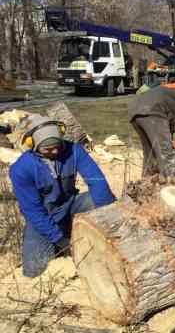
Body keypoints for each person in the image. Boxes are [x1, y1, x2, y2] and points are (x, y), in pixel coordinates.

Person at [9, 115, 115, 278]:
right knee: (34, 270)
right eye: (48, 149)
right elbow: (34, 212)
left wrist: (109, 217)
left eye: (57, 146)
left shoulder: (74, 150)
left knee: (99, 199)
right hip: (44, 217)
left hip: (71, 204)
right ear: (33, 145)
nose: (55, 151)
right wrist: (61, 241)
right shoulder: (21, 169)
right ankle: (61, 235)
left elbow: (97, 182)